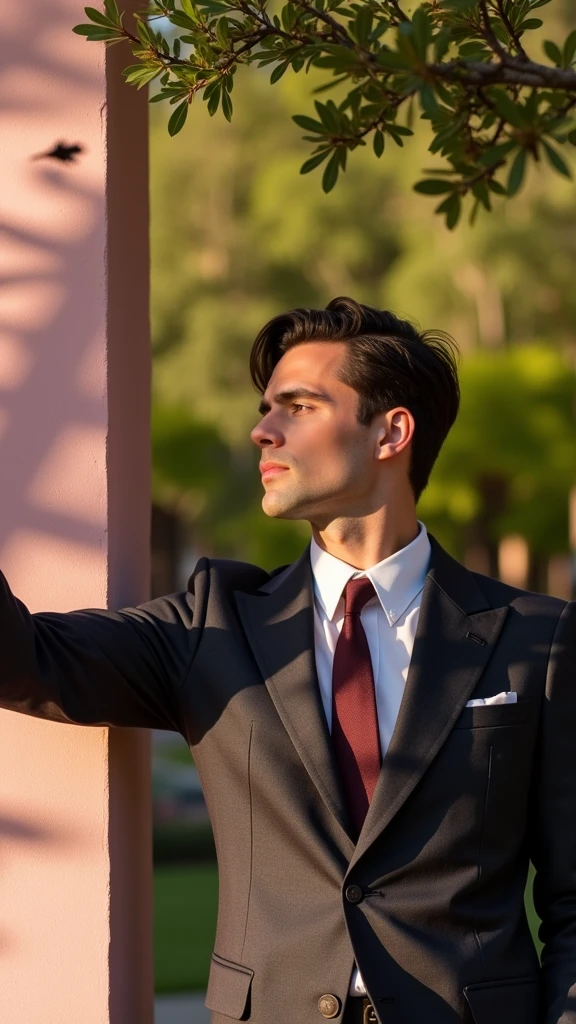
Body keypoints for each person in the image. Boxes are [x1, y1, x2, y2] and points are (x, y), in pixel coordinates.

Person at [0, 296, 574, 1024]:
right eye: (267, 408)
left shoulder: (537, 639)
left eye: (297, 407)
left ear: (391, 431)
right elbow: (24, 661)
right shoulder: (213, 627)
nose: (261, 430)